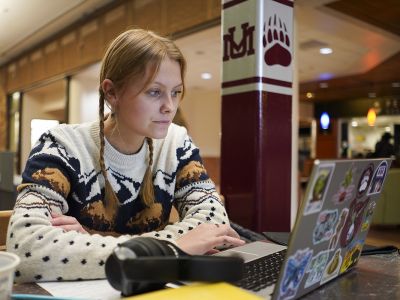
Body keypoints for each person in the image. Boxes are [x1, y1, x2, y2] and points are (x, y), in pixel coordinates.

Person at [6, 29, 245, 283]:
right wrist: (175, 249)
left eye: (175, 92)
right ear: (112, 93)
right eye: (154, 92)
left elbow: (215, 226)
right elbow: (27, 249)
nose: (170, 106)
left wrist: (89, 241)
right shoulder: (61, 146)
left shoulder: (177, 142)